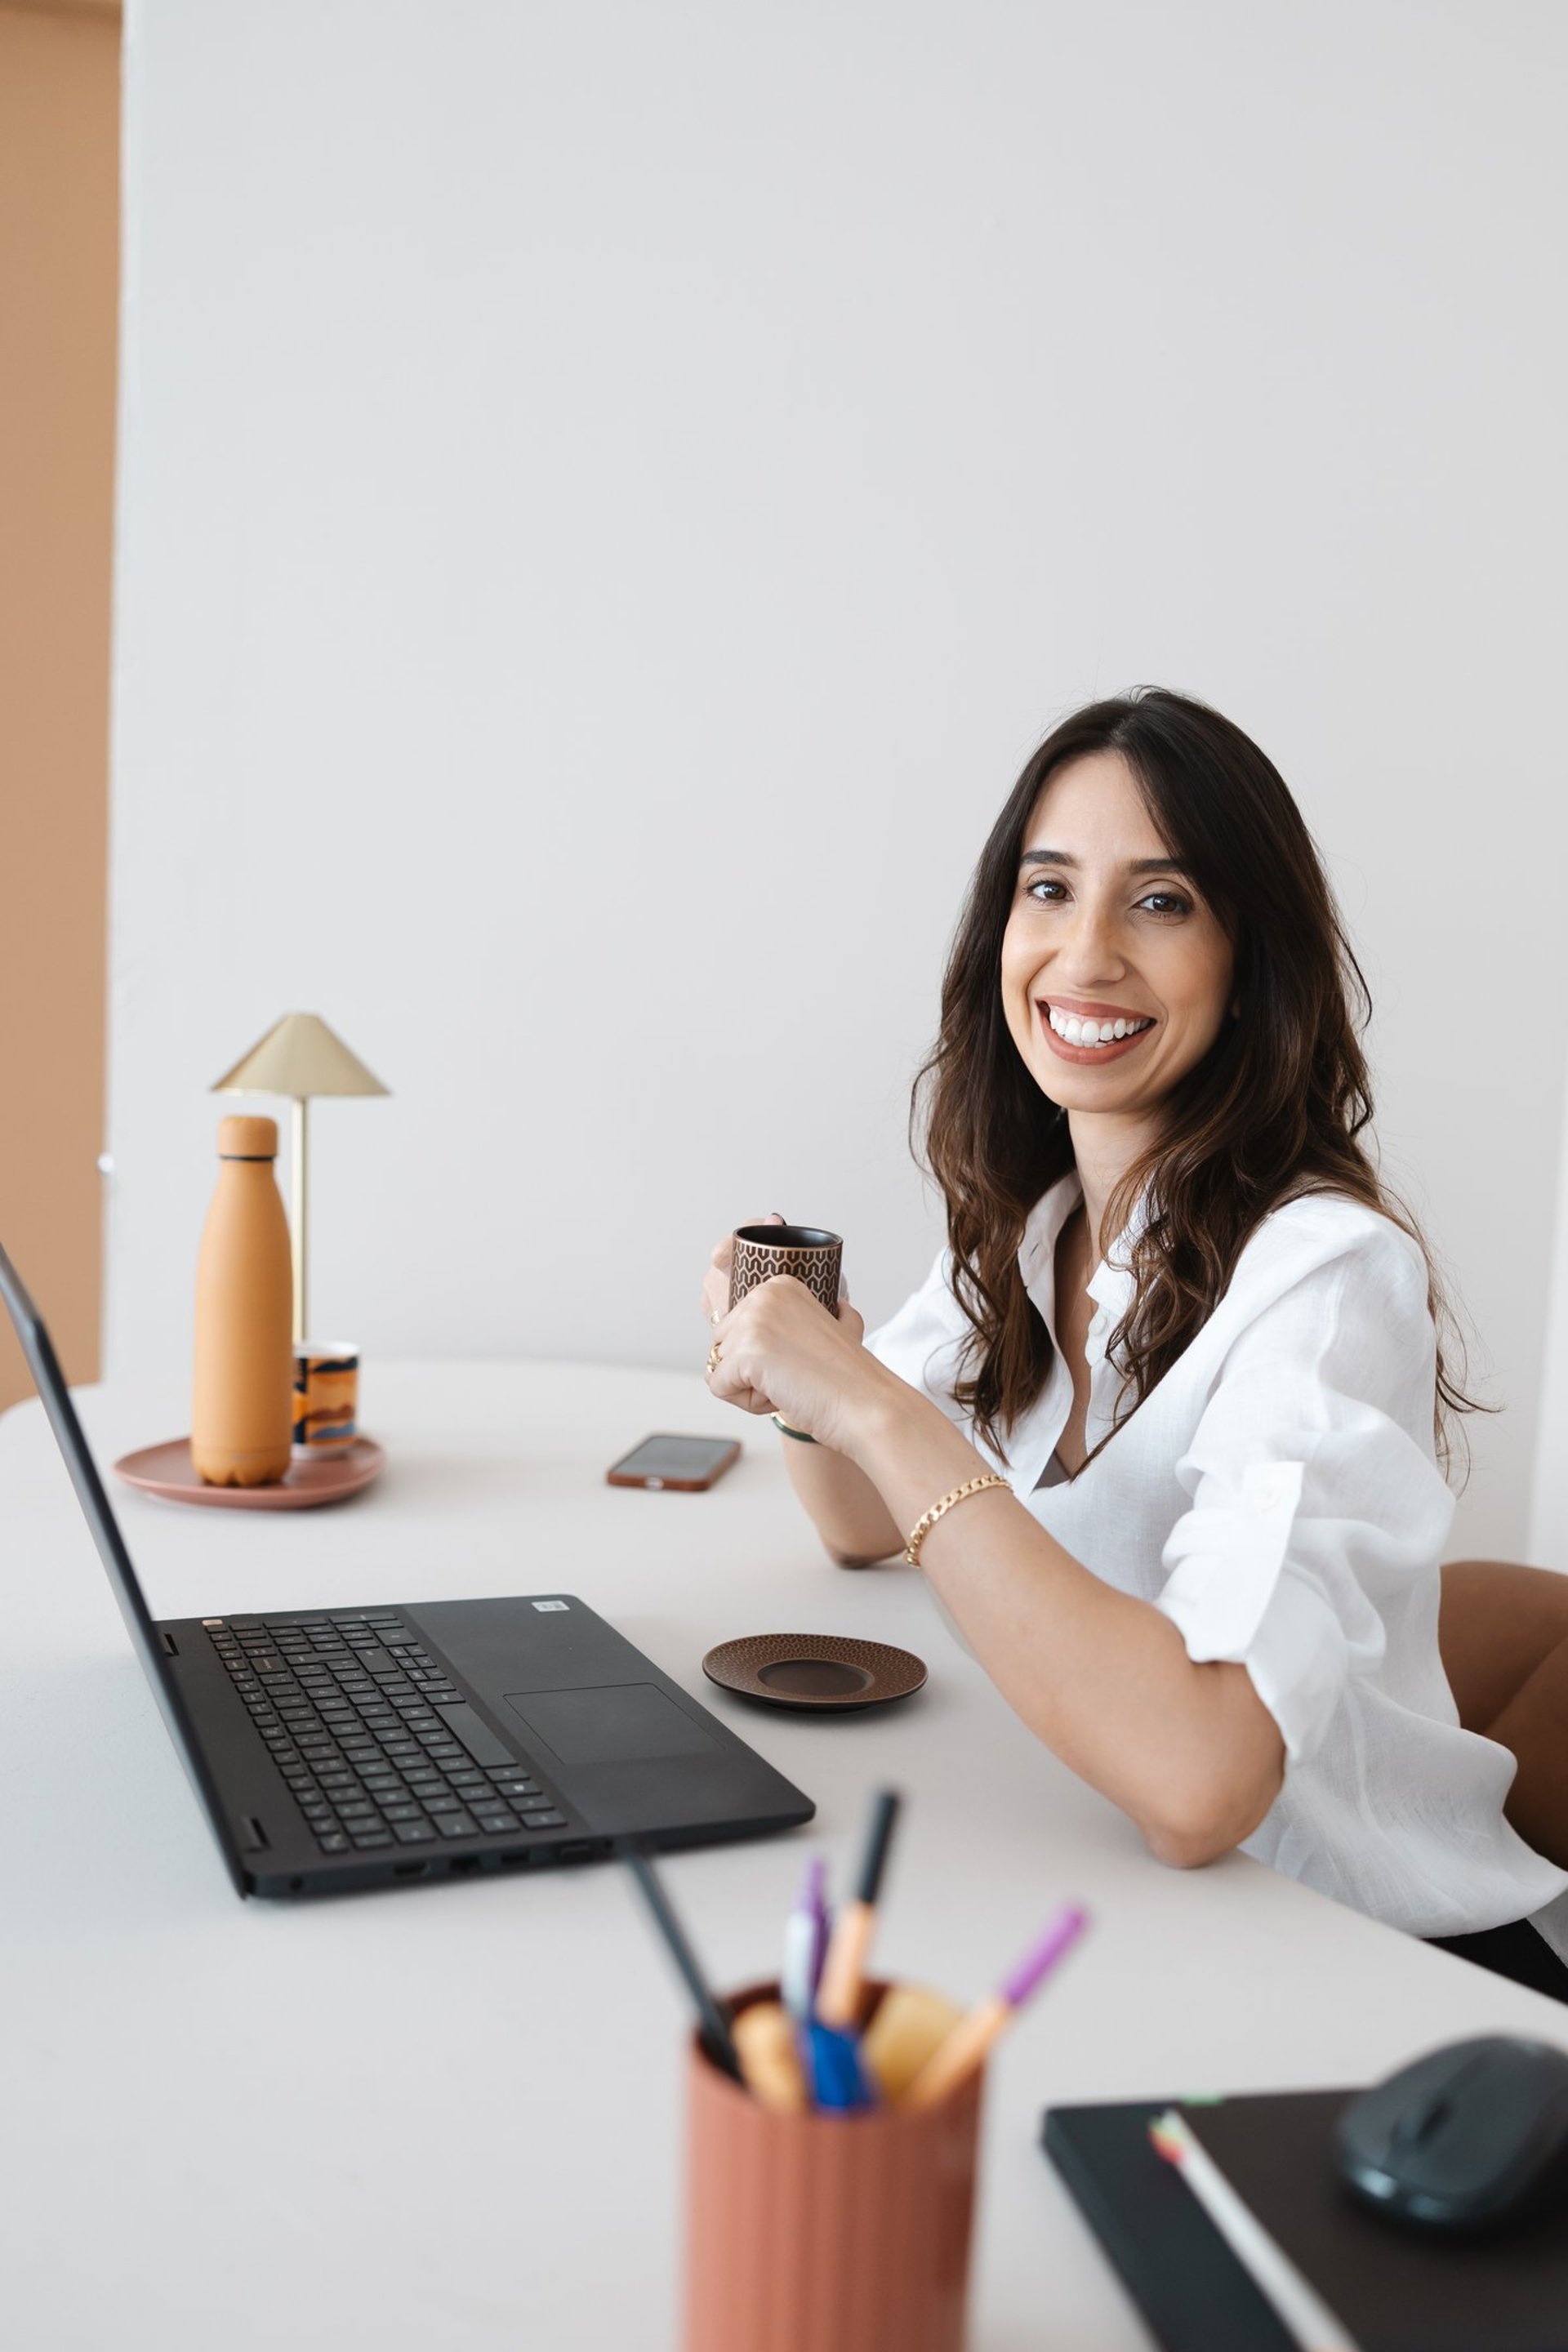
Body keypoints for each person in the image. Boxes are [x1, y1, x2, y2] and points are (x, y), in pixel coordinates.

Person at [700, 686, 1568, 1997]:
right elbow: (862, 1527)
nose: (1086, 953)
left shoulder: (1326, 1276)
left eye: (1159, 902)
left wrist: (875, 1408)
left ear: (1248, 958)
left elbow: (1201, 1782)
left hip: (1368, 1971)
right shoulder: (1038, 1219)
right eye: (1048, 890)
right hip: (1123, 1902)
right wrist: (806, 1378)